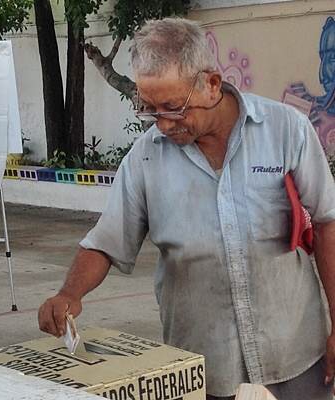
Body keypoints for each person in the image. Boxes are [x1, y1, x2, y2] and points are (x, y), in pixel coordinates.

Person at [38, 18, 335, 400]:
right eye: (148, 109)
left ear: (211, 84)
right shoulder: (146, 158)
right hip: (203, 365)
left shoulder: (285, 131)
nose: (161, 124)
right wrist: (70, 293)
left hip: (294, 355)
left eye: (173, 108)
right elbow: (106, 241)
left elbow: (328, 222)